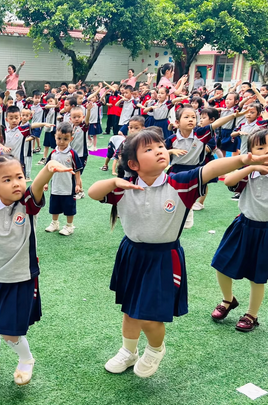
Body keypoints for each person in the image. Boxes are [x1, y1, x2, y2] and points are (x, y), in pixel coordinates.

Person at [87, 128, 268, 378]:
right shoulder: (124, 187)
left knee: (150, 317)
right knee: (129, 310)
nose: (160, 150)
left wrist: (244, 160)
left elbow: (213, 169)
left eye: (161, 145)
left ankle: (155, 349)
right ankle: (129, 352)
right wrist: (114, 181)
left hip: (163, 258)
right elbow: (93, 192)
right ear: (133, 164)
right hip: (131, 253)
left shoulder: (181, 183)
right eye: (149, 149)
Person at [0, 153, 73, 388]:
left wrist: (49, 168)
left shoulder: (28, 205)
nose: (16, 183)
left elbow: (37, 185)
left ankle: (26, 359)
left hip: (21, 278)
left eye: (19, 176)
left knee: (9, 332)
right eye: (6, 180)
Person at [211, 129, 268, 332]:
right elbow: (228, 181)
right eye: (261, 148)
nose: (266, 153)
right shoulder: (249, 173)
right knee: (221, 263)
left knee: (257, 276)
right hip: (243, 226)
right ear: (251, 152)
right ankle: (228, 300)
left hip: (265, 233)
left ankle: (251, 314)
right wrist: (251, 165)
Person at [44, 123, 82, 236]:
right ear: (55, 136)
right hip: (55, 186)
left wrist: (78, 184)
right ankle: (54, 223)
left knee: (69, 207)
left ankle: (69, 226)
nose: (61, 141)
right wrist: (45, 183)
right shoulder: (53, 153)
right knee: (54, 206)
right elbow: (48, 170)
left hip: (68, 187)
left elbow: (77, 171)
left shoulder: (72, 154)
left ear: (71, 138)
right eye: (59, 138)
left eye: (65, 139)